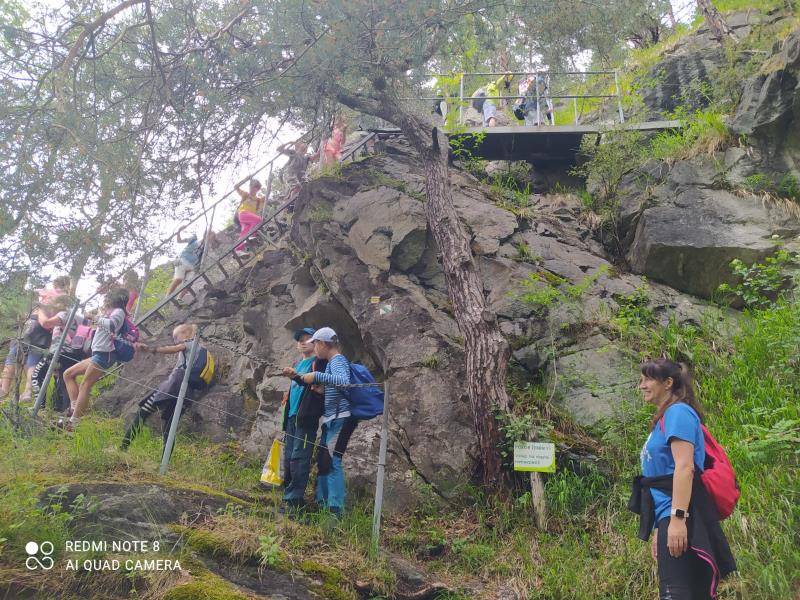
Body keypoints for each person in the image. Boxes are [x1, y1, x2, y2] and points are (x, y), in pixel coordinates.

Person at [631, 358, 736, 600]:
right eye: (641, 380)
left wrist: (677, 520)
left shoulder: (678, 412)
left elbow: (685, 467)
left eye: (647, 379)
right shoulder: (666, 417)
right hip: (670, 516)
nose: (642, 386)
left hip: (682, 515)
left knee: (675, 593)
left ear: (668, 383)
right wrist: (660, 527)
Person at [122, 323, 215, 452]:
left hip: (174, 384)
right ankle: (164, 460)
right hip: (187, 391)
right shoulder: (200, 348)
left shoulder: (189, 343)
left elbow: (174, 349)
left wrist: (153, 349)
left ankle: (123, 447)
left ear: (186, 334)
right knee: (170, 428)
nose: (175, 339)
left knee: (144, 412)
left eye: (176, 336)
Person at [299, 327, 357, 516]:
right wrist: (323, 390)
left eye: (315, 344)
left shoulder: (338, 360)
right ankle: (322, 503)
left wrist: (316, 376)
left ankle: (335, 510)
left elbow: (343, 381)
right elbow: (338, 386)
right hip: (332, 419)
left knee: (333, 462)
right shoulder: (333, 362)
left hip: (340, 418)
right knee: (324, 461)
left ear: (323, 344)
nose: (314, 348)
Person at [62, 288, 130, 430]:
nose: (105, 300)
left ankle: (74, 422)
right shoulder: (109, 313)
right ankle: (75, 407)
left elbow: (112, 326)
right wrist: (70, 312)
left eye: (107, 298)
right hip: (98, 354)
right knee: (68, 374)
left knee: (85, 385)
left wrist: (95, 317)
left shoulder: (119, 312)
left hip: (106, 354)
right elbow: (87, 322)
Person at [279, 327, 327, 514]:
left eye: (308, 338)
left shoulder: (319, 363)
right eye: (300, 339)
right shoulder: (298, 364)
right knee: (290, 456)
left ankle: (294, 500)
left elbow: (318, 385)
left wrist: (296, 376)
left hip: (306, 418)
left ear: (316, 343)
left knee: (300, 457)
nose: (302, 341)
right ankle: (288, 493)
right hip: (292, 416)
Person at [30, 295, 85, 412]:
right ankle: (64, 409)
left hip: (60, 352)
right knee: (63, 380)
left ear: (60, 304)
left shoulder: (63, 313)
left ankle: (39, 408)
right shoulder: (79, 317)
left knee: (37, 375)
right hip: (72, 352)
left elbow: (45, 323)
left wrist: (40, 311)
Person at [166, 225, 219, 298]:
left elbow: (202, 259)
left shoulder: (205, 249)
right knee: (178, 279)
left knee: (189, 283)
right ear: (206, 235)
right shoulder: (193, 239)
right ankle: (167, 297)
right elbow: (179, 241)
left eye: (213, 237)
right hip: (181, 260)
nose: (212, 239)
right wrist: (179, 231)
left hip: (191, 266)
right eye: (212, 236)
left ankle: (179, 299)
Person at [277, 141, 314, 206]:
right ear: (298, 146)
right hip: (290, 174)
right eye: (303, 143)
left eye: (306, 145)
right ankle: (292, 205)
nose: (305, 145)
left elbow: (316, 157)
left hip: (300, 178)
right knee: (296, 187)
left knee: (302, 188)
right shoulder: (294, 153)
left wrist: (323, 143)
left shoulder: (306, 157)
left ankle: (291, 204)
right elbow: (279, 149)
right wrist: (289, 142)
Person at [234, 179, 264, 258]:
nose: (252, 189)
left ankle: (237, 250)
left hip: (249, 220)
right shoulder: (246, 194)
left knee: (244, 234)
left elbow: (267, 198)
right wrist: (246, 178)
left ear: (257, 189)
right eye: (251, 186)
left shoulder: (258, 200)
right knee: (259, 220)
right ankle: (251, 237)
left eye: (254, 187)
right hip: (243, 214)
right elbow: (236, 187)